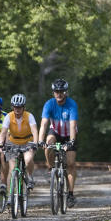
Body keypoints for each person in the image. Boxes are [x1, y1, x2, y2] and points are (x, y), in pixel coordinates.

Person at [38, 78, 78, 207]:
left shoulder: (72, 104)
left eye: (61, 91)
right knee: (48, 144)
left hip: (68, 135)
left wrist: (71, 142)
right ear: (53, 92)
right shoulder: (49, 104)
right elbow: (44, 124)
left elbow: (73, 125)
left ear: (66, 92)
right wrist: (40, 140)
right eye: (56, 91)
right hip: (55, 132)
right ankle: (51, 168)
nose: (59, 94)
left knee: (71, 164)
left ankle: (70, 194)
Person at [0, 93, 39, 190]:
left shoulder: (29, 116)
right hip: (13, 142)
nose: (17, 109)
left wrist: (35, 143)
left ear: (23, 107)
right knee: (12, 169)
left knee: (28, 160)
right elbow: (3, 132)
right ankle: (10, 196)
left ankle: (29, 176)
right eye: (15, 107)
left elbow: (34, 131)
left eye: (19, 107)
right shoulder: (8, 116)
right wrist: (0, 144)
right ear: (12, 106)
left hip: (27, 142)